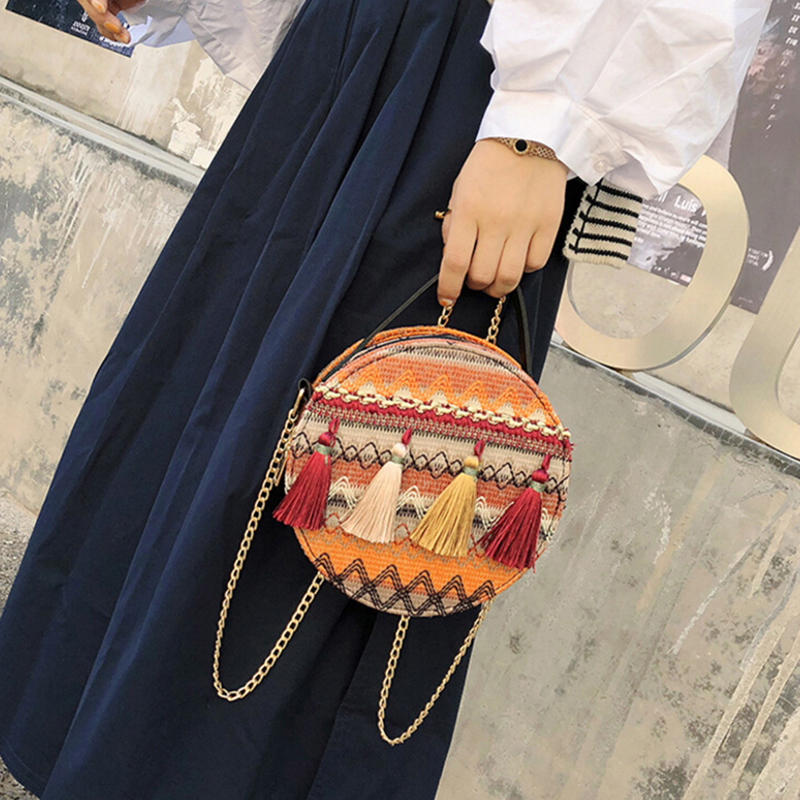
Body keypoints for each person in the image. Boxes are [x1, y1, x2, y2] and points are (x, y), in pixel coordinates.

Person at [0, 1, 769, 798]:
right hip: (354, 50)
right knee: (210, 427)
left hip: (478, 99)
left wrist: (543, 126)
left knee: (360, 483)